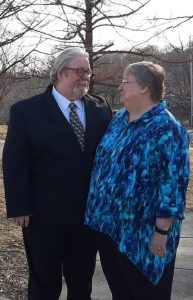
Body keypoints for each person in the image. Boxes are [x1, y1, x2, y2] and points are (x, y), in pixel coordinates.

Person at [3, 47, 112, 300]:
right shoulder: (26, 111)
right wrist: (19, 206)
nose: (86, 76)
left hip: (87, 215)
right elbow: (14, 161)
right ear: (60, 73)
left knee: (81, 281)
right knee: (44, 282)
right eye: (80, 71)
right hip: (43, 216)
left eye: (88, 70)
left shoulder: (101, 107)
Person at [85, 61, 190, 300]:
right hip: (109, 229)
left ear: (145, 88)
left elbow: (173, 183)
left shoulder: (166, 128)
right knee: (121, 294)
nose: (120, 87)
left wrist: (161, 231)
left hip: (143, 236)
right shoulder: (120, 119)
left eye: (125, 80)